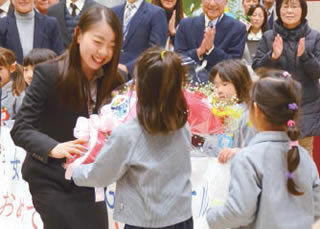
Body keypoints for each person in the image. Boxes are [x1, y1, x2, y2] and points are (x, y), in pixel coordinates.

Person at [10, 6, 125, 229]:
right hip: (49, 178)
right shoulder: (49, 73)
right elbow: (21, 128)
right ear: (79, 35)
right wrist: (55, 147)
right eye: (98, 41)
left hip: (90, 181)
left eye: (112, 46)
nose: (103, 52)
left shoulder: (115, 80)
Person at [72, 47, 193, 229]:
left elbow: (101, 175)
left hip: (145, 221)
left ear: (141, 88)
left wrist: (74, 172)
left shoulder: (129, 133)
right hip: (182, 218)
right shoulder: (182, 125)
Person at [207, 70, 320, 229]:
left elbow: (239, 212)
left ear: (256, 110)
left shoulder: (247, 159)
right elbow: (316, 207)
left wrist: (211, 216)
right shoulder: (303, 157)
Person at [252, 0, 320, 155]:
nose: (289, 11)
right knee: (275, 156)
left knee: (303, 156)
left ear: (302, 10)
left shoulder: (315, 37)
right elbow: (257, 68)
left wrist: (304, 56)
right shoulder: (269, 37)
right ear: (279, 9)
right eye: (286, 6)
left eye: (294, 6)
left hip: (305, 108)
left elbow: (318, 72)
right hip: (275, 108)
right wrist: (273, 56)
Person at [174, 0, 247, 72]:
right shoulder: (186, 24)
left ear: (226, 2)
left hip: (221, 81)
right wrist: (199, 52)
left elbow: (234, 64)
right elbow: (178, 59)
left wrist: (211, 50)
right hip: (189, 79)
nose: (212, 3)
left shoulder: (237, 28)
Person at [208, 59, 255, 162]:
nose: (219, 91)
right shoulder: (215, 112)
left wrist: (237, 152)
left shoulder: (249, 115)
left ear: (240, 83)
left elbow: (257, 151)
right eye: (216, 86)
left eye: (225, 84)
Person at [112, 0, 168, 78]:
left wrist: (128, 68)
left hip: (138, 76)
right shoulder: (113, 11)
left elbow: (156, 50)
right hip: (110, 72)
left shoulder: (156, 13)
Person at [0, 47, 25, 122]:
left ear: (12, 68)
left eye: (0, 69)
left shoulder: (18, 94)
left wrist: (5, 124)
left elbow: (24, 122)